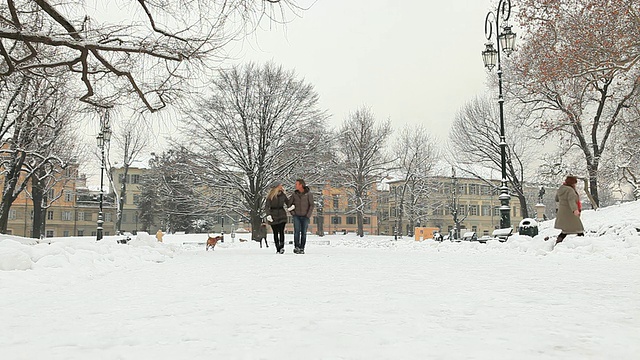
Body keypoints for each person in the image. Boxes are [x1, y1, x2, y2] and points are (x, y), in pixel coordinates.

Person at [553, 175, 584, 245]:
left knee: (565, 230)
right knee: (579, 228)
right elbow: (571, 201)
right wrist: (575, 210)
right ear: (572, 183)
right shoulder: (570, 190)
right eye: (575, 183)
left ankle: (558, 242)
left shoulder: (561, 189)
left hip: (562, 212)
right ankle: (582, 243)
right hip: (570, 212)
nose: (575, 185)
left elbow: (556, 199)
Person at [289, 178, 314, 254]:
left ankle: (302, 248)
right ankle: (296, 247)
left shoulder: (308, 194)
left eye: (296, 184)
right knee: (296, 232)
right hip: (296, 216)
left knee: (303, 232)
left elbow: (311, 205)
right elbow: (289, 204)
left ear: (301, 185)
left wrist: (308, 215)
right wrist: (293, 213)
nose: (295, 186)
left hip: (305, 216)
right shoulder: (294, 194)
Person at [265, 181, 289, 254]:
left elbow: (288, 202)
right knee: (275, 232)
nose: (281, 186)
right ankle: (277, 248)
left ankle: (282, 247)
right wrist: (268, 214)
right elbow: (267, 206)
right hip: (273, 215)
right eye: (280, 185)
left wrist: (291, 206)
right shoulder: (270, 196)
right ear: (277, 187)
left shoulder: (283, 195)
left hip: (282, 214)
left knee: (281, 231)